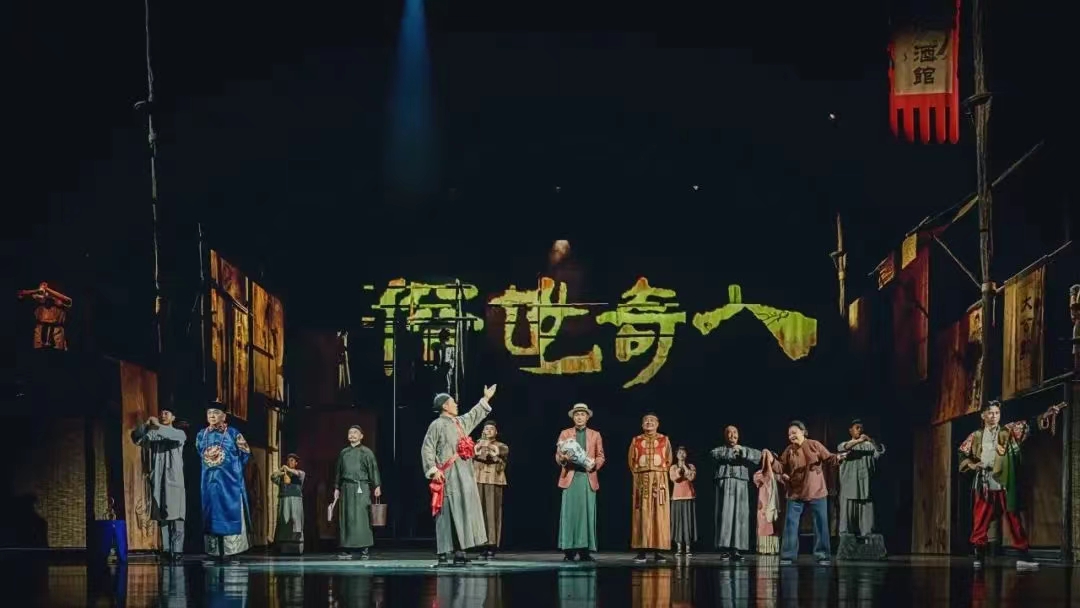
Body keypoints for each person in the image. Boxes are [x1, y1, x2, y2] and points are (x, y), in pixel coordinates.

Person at [958, 399, 1066, 569]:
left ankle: (1023, 554)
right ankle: (979, 553)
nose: (994, 416)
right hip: (985, 479)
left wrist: (1046, 415)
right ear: (983, 415)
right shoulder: (976, 436)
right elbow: (962, 453)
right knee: (981, 517)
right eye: (990, 413)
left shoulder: (1008, 430)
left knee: (1012, 515)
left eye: (997, 413)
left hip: (1005, 479)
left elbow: (1029, 425)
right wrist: (971, 465)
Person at [421, 385, 497, 565]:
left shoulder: (459, 423)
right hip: (448, 475)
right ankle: (443, 551)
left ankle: (460, 551)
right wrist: (433, 470)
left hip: (464, 474)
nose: (456, 405)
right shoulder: (437, 425)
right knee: (446, 512)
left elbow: (473, 415)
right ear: (445, 406)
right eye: (452, 402)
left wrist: (485, 399)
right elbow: (427, 448)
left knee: (463, 511)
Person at [765, 420, 845, 566]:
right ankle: (788, 556)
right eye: (789, 434)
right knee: (790, 525)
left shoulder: (814, 445)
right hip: (796, 493)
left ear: (803, 432)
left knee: (821, 524)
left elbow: (829, 458)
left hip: (816, 491)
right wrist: (771, 461)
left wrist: (838, 457)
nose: (791, 436)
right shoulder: (789, 450)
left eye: (794, 432)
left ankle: (822, 555)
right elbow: (781, 467)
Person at [196, 404, 252, 561]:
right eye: (209, 412)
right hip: (209, 482)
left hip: (230, 482)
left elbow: (245, 453)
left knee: (230, 510)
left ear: (224, 416)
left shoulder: (233, 433)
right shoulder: (201, 435)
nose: (212, 415)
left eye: (216, 412)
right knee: (211, 512)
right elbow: (200, 452)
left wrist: (233, 469)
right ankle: (214, 551)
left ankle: (231, 550)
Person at [130, 408, 187, 561]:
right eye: (161, 413)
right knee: (162, 515)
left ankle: (177, 550)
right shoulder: (154, 433)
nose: (163, 415)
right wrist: (145, 425)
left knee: (177, 516)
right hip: (159, 479)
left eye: (167, 413)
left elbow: (169, 435)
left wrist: (156, 426)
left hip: (174, 479)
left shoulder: (179, 433)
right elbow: (137, 438)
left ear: (173, 417)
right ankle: (166, 549)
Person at [556, 403, 606, 562]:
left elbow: (601, 456)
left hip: (587, 477)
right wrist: (563, 459)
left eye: (582, 414)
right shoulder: (565, 433)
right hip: (570, 477)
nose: (579, 417)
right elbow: (558, 455)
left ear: (587, 417)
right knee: (570, 514)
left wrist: (594, 464)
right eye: (576, 414)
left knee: (586, 515)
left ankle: (585, 550)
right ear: (573, 417)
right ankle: (569, 551)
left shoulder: (595, 434)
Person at [709, 425, 763, 561]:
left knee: (740, 515)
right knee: (725, 515)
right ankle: (725, 548)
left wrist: (743, 451)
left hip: (741, 483)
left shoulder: (744, 449)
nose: (732, 435)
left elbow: (759, 456)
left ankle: (737, 549)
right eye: (729, 432)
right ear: (725, 435)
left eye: (735, 432)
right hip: (725, 482)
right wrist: (731, 452)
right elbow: (713, 454)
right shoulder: (720, 450)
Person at [628, 413, 672, 563]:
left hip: (659, 479)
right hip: (641, 479)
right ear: (642, 425)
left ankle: (659, 550)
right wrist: (639, 475)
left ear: (657, 424)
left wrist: (660, 474)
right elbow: (631, 461)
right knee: (641, 512)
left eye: (652, 420)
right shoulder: (636, 440)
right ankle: (641, 551)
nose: (649, 422)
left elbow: (668, 459)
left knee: (659, 513)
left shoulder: (664, 440)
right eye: (646, 420)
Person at [332, 425, 382, 559]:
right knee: (346, 517)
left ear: (361, 436)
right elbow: (338, 472)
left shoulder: (367, 452)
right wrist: (337, 487)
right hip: (346, 488)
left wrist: (377, 486)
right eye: (350, 432)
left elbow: (373, 469)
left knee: (362, 517)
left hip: (362, 487)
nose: (352, 435)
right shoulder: (344, 453)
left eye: (355, 432)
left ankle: (364, 548)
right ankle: (346, 549)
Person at [836, 419, 883, 537]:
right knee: (846, 522)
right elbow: (843, 448)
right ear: (850, 430)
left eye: (861, 427)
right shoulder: (845, 444)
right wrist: (859, 441)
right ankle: (846, 541)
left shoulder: (869, 446)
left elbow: (879, 451)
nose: (860, 430)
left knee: (868, 524)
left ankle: (867, 540)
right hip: (849, 487)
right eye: (857, 427)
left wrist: (870, 440)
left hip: (865, 488)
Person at [473, 420, 509, 559]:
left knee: (492, 513)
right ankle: (481, 544)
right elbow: (471, 454)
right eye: (486, 429)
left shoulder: (501, 446)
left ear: (496, 432)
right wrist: (478, 448)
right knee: (479, 513)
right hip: (478, 480)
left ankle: (492, 544)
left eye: (491, 429)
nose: (488, 431)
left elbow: (499, 453)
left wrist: (489, 449)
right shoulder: (476, 445)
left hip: (493, 481)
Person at [270, 453, 305, 554]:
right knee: (284, 521)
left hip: (295, 501)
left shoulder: (300, 473)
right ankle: (284, 547)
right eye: (288, 460)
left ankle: (296, 548)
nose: (290, 462)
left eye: (292, 460)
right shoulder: (282, 476)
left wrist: (287, 469)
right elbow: (273, 477)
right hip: (284, 501)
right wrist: (281, 470)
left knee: (295, 521)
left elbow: (298, 474)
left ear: (296, 463)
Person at [668, 446, 697, 556]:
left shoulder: (691, 466)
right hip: (677, 497)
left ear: (686, 454)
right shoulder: (673, 467)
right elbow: (674, 478)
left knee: (688, 522)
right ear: (676, 455)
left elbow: (691, 477)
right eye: (679, 452)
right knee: (678, 523)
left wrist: (684, 467)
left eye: (683, 452)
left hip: (688, 496)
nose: (681, 454)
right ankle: (679, 548)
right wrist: (679, 470)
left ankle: (688, 547)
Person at [753, 449, 781, 555]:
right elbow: (761, 479)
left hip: (774, 504)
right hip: (763, 504)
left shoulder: (777, 475)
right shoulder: (759, 474)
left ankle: (773, 548)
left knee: (774, 524)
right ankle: (764, 548)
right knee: (764, 525)